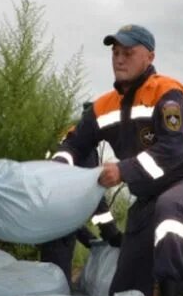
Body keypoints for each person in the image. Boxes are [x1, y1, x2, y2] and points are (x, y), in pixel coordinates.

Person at [52, 24, 183, 296]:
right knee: (125, 284)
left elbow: (173, 150)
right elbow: (74, 143)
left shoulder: (167, 93)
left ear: (149, 56)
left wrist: (122, 171)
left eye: (128, 53)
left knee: (171, 213)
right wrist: (59, 165)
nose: (119, 59)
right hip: (147, 198)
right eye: (115, 53)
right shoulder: (103, 106)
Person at [40, 103, 122, 284]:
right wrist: (112, 235)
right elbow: (92, 196)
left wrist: (88, 238)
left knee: (49, 274)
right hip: (60, 225)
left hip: (49, 218)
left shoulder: (64, 140)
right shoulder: (83, 151)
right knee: (57, 280)